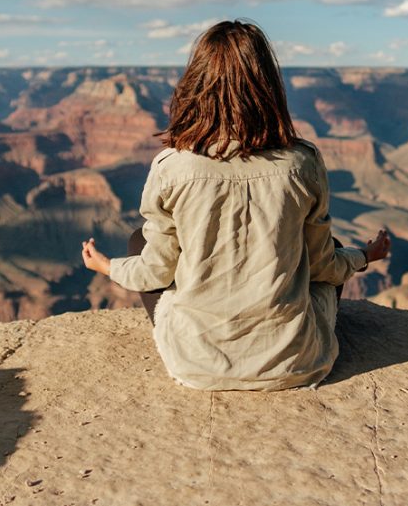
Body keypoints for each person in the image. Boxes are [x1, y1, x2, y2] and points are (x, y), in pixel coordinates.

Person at [81, 19, 390, 391]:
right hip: (296, 363)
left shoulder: (171, 166)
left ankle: (204, 345)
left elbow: (156, 273)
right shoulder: (302, 162)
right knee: (334, 248)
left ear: (195, 85)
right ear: (268, 86)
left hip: (195, 365)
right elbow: (323, 266)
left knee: (138, 243)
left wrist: (107, 267)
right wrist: (363, 256)